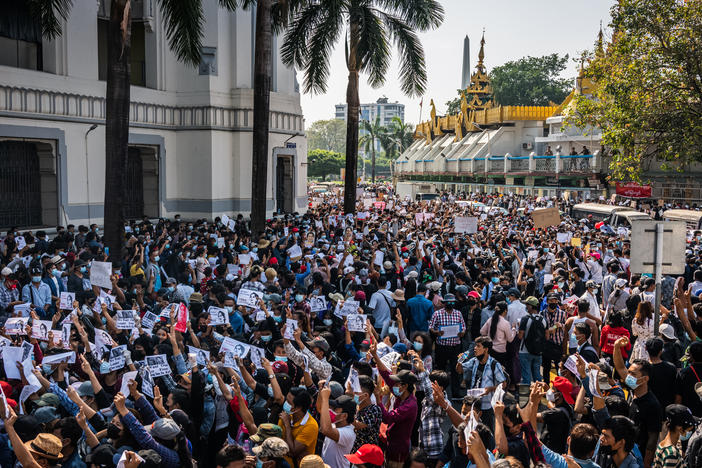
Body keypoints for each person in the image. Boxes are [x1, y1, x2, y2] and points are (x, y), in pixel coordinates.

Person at [457, 336, 506, 431]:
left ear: (486, 349)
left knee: (486, 431)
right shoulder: (475, 361)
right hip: (473, 403)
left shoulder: (494, 365)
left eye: (478, 346)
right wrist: (460, 361)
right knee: (470, 429)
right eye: (475, 346)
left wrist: (490, 389)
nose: (475, 348)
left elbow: (503, 384)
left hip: (486, 406)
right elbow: (459, 370)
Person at [428, 293, 466, 396]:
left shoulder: (458, 314)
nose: (450, 304)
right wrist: (436, 332)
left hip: (455, 347)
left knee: (455, 370)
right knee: (441, 370)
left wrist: (462, 332)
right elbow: (431, 327)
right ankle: (439, 392)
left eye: (452, 302)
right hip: (442, 346)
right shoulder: (437, 314)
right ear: (444, 303)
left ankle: (456, 393)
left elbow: (463, 327)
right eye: (448, 302)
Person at [517, 296, 547, 385]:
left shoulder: (525, 319)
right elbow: (547, 336)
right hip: (538, 352)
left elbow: (520, 336)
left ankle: (525, 397)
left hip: (524, 351)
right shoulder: (543, 319)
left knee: (526, 376)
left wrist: (517, 328)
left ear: (530, 306)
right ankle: (538, 396)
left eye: (527, 305)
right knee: (537, 375)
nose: (526, 307)